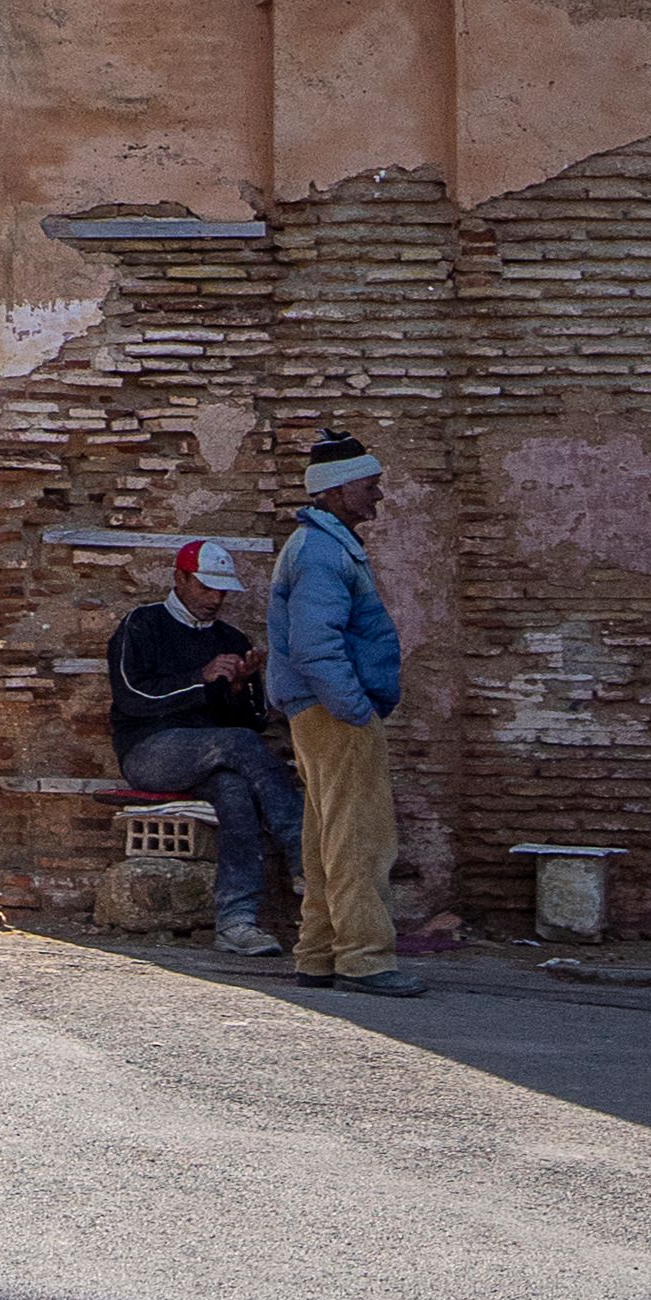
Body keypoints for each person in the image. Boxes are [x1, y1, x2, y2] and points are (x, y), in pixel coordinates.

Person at [267, 423, 420, 994]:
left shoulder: (317, 546)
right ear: (334, 492)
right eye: (369, 486)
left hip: (319, 709)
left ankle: (319, 954)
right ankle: (365, 959)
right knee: (361, 837)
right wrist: (355, 708)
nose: (377, 497)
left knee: (326, 834)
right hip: (336, 713)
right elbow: (314, 644)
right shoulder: (324, 551)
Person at [106, 536, 302, 956]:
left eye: (222, 590)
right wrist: (202, 677)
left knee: (234, 789)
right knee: (236, 746)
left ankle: (236, 921)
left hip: (213, 756)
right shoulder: (142, 624)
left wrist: (239, 686)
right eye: (206, 587)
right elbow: (132, 698)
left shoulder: (229, 636)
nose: (216, 599)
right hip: (148, 751)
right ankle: (304, 852)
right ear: (179, 579)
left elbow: (250, 720)